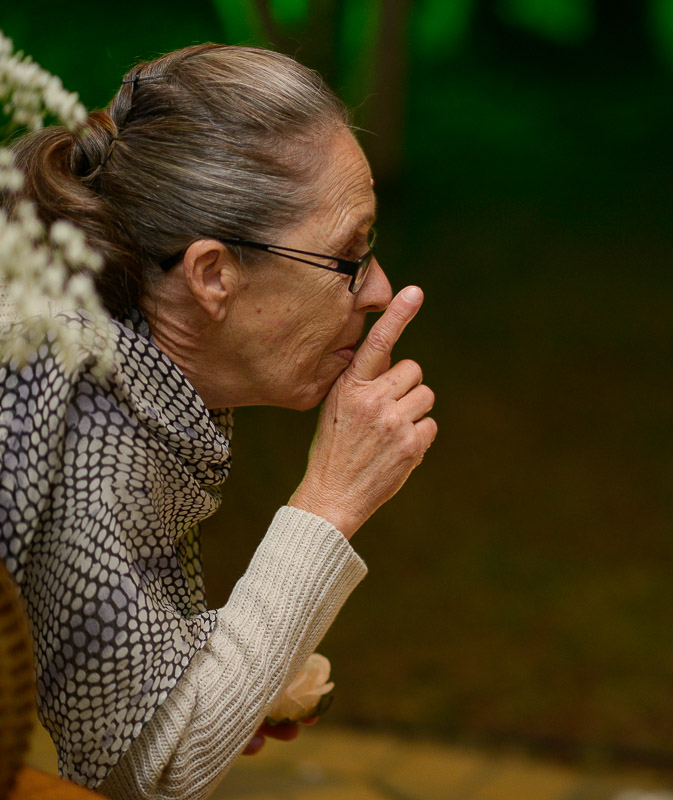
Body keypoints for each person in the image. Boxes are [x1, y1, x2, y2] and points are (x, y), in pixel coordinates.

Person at [0, 44, 436, 798]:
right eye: (349, 256)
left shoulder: (121, 366)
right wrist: (330, 500)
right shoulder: (70, 391)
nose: (379, 291)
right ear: (211, 275)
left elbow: (145, 697)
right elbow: (158, 766)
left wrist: (243, 676)